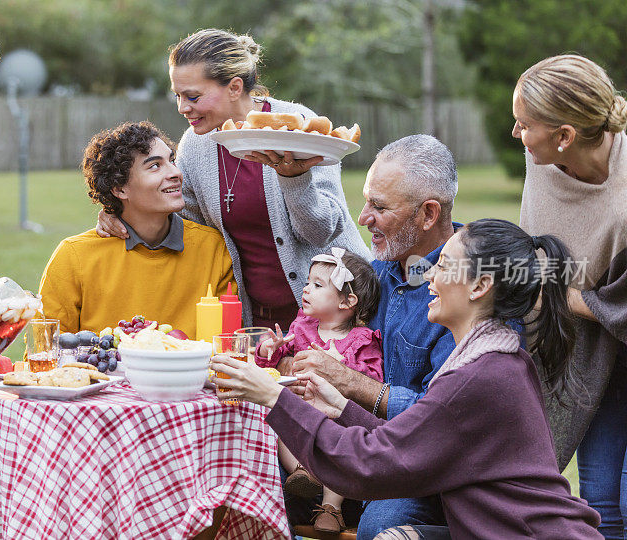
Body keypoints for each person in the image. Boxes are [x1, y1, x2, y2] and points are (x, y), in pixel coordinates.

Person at [212, 218, 603, 539]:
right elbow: (409, 444)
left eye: (445, 266)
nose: (429, 273)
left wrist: (274, 398)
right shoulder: (497, 359)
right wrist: (342, 407)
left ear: (481, 286)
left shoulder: (477, 378)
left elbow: (369, 464)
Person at [96, 29, 368, 331]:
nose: (182, 107)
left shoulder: (297, 126)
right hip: (259, 323)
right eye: (178, 95)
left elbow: (321, 232)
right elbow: (184, 225)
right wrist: (121, 214)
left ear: (235, 87)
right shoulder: (195, 146)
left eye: (193, 96)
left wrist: (296, 179)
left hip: (339, 318)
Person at [285, 135, 459, 537]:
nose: (363, 218)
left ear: (428, 214)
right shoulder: (377, 272)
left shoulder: (464, 287)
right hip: (356, 441)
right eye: (366, 201)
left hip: (422, 464)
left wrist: (348, 380)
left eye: (379, 207)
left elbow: (443, 418)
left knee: (381, 524)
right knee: (250, 477)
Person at [513, 54, 627, 539]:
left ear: (564, 135)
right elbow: (528, 259)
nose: (516, 134)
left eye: (524, 125)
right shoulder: (542, 159)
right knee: (599, 502)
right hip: (587, 353)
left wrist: (556, 296)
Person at [39, 121, 235, 337]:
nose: (175, 173)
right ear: (119, 188)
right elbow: (46, 348)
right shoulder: (73, 256)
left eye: (172, 161)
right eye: (154, 166)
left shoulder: (213, 248)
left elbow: (227, 345)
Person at [254, 247, 382, 533]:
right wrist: (268, 350)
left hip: (333, 417)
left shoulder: (361, 339)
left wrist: (345, 370)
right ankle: (302, 472)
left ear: (347, 301)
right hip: (301, 412)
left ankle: (331, 507)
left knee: (344, 441)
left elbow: (372, 378)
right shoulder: (302, 328)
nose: (306, 290)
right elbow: (274, 363)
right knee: (281, 419)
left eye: (317, 285)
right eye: (308, 282)